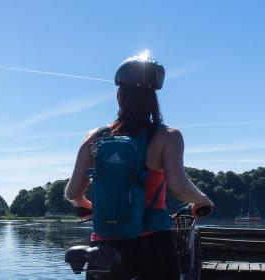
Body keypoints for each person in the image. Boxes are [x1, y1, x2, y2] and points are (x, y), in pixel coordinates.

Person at [65, 53, 214, 280]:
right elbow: (178, 186)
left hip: (107, 244)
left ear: (119, 96)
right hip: (153, 241)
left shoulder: (94, 138)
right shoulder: (168, 137)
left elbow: (73, 192)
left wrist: (86, 205)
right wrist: (202, 200)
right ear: (153, 98)